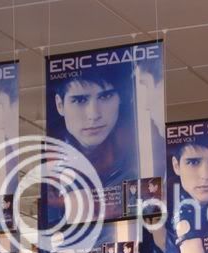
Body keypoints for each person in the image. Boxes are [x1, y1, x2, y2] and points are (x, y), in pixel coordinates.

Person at [45, 65, 139, 225]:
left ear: (121, 99)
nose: (94, 115)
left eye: (105, 97)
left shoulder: (143, 162)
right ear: (60, 105)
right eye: (80, 100)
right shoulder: (50, 177)